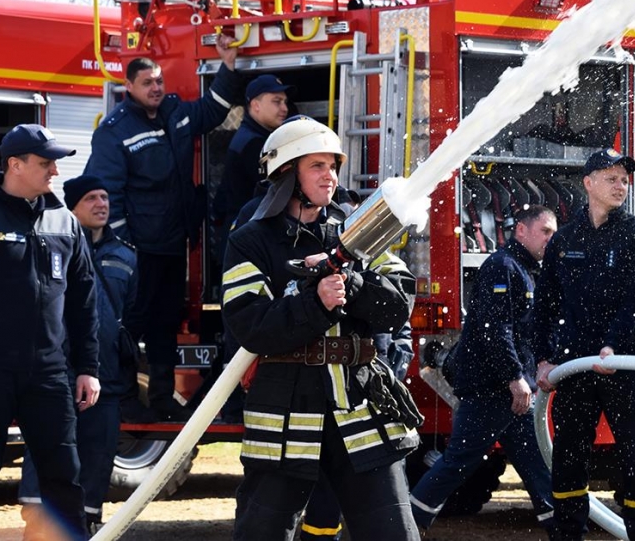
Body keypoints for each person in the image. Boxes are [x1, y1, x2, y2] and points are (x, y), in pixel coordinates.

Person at [222, 116, 421, 541]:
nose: (330, 176)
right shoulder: (251, 240)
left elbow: (400, 301)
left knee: (393, 533)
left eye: (333, 165)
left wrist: (353, 283)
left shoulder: (359, 230)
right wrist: (316, 303)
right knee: (262, 533)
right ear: (285, 173)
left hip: (359, 401)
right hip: (286, 406)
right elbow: (249, 325)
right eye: (316, 165)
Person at [84, 34, 244, 421]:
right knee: (125, 326)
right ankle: (119, 398)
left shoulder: (176, 113)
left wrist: (228, 66)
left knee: (165, 326)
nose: (156, 88)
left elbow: (212, 110)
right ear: (129, 87)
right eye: (147, 83)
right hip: (138, 252)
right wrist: (123, 248)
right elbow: (107, 192)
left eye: (159, 81)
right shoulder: (115, 130)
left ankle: (160, 399)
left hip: (173, 247)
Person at [0, 124, 100, 541]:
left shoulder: (63, 221)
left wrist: (87, 367)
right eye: (45, 162)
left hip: (49, 373)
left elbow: (84, 302)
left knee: (64, 474)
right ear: (14, 165)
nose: (55, 171)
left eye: (55, 162)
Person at [532, 148, 635, 541]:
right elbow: (544, 305)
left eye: (624, 179)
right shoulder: (565, 240)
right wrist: (542, 359)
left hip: (627, 363)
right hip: (575, 367)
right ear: (588, 183)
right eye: (611, 178)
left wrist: (612, 347)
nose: (621, 185)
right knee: (569, 459)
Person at [410, 204, 557, 536]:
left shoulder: (526, 270)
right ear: (521, 230)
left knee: (537, 467)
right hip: (493, 391)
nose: (552, 238)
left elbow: (526, 331)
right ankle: (402, 527)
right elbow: (495, 330)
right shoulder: (503, 268)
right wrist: (514, 377)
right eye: (545, 231)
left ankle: (562, 529)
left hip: (512, 393)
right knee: (457, 464)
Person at [18, 175, 140, 537]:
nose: (102, 204)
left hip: (107, 379)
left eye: (105, 197)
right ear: (72, 208)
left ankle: (85, 525)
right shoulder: (52, 246)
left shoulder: (126, 255)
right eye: (91, 199)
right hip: (56, 374)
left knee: (97, 458)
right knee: (48, 452)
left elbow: (132, 313)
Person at [216, 73, 295, 236]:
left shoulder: (254, 137)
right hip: (247, 233)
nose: (285, 108)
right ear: (255, 105)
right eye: (276, 101)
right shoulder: (254, 144)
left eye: (285, 102)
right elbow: (273, 196)